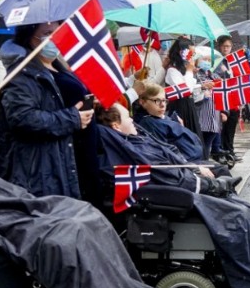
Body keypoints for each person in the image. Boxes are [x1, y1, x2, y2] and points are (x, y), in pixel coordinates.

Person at [0, 21, 94, 198]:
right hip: (39, 173)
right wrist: (72, 118)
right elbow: (23, 118)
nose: (54, 37)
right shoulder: (22, 74)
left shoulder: (57, 66)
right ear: (30, 36)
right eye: (47, 32)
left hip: (66, 160)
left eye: (58, 31)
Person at [96, 103, 241, 197]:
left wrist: (190, 166)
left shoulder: (138, 136)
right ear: (116, 125)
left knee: (220, 171)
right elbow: (162, 169)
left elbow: (167, 150)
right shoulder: (131, 143)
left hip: (179, 164)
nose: (132, 120)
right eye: (128, 117)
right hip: (170, 176)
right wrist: (198, 174)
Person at [134, 81, 205, 162]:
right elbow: (165, 154)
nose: (162, 105)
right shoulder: (149, 123)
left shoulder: (162, 118)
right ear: (142, 102)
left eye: (164, 100)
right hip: (187, 165)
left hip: (193, 161)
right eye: (157, 100)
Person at [164, 37, 210, 139]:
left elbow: (191, 90)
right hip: (179, 108)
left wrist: (200, 85)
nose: (192, 58)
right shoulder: (172, 70)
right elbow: (185, 90)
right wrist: (189, 71)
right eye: (191, 54)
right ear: (182, 53)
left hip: (189, 107)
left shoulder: (184, 69)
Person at [214, 34, 242, 163]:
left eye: (228, 46)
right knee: (222, 125)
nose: (226, 49)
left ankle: (230, 150)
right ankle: (221, 150)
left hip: (233, 95)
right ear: (220, 47)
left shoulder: (233, 60)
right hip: (222, 95)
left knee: (232, 124)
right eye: (224, 46)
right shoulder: (215, 60)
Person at [194, 49, 223, 160]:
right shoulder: (195, 75)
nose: (206, 62)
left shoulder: (212, 74)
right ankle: (203, 162)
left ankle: (206, 161)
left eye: (208, 60)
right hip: (202, 113)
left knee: (209, 141)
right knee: (202, 142)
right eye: (204, 59)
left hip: (214, 113)